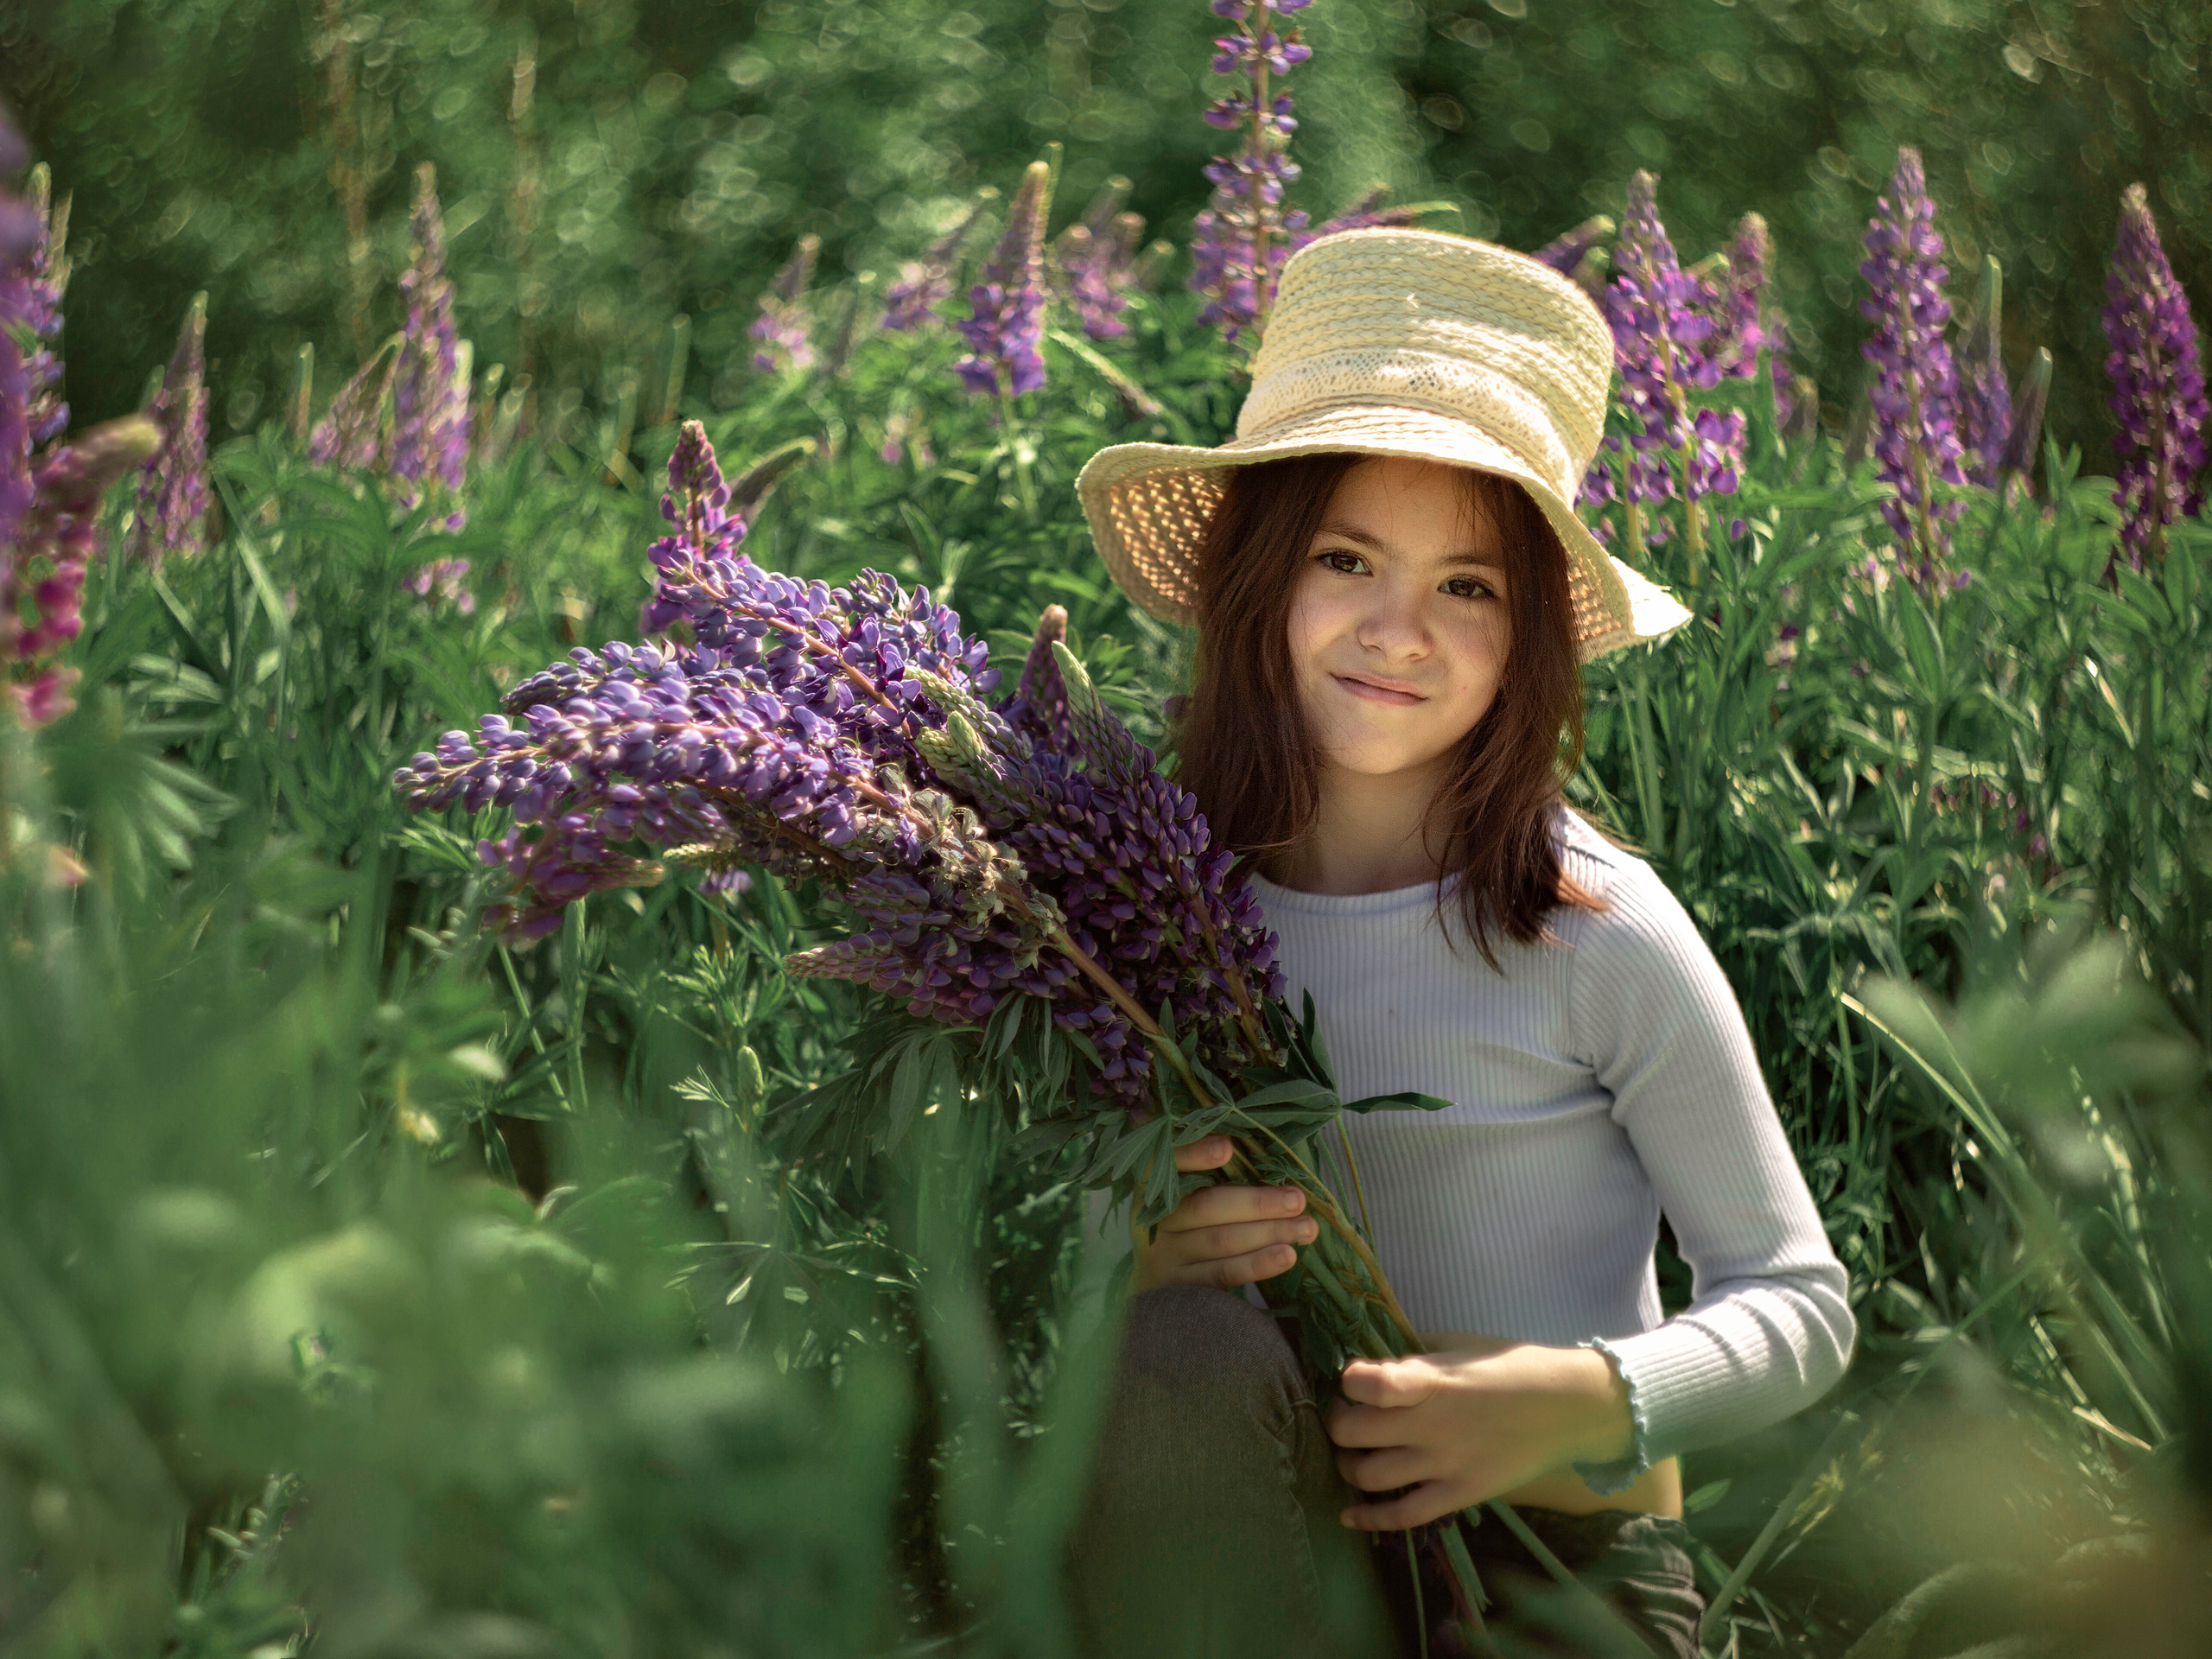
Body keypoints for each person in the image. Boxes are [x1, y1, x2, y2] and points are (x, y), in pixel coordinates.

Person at [1058, 228, 1856, 1658]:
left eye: (1468, 587)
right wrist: (1133, 1248)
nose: (1397, 631)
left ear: (1534, 633)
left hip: (1565, 1574)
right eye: (1346, 558)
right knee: (1170, 1352)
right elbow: (1047, 1246)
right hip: (1257, 1547)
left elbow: (1799, 1303)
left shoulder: (1590, 925)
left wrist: (1587, 1397)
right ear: (1256, 582)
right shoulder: (1152, 915)